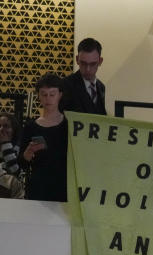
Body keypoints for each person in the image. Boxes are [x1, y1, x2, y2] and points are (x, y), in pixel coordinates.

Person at [21, 73, 69, 202]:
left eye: (52, 94)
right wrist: (28, 152)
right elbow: (22, 163)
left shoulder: (69, 125)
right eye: (44, 94)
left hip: (63, 187)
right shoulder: (31, 126)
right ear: (39, 96)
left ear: (60, 95)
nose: (48, 98)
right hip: (38, 187)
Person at [61, 37, 107, 115]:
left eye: (93, 64)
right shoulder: (65, 85)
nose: (88, 69)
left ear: (100, 61)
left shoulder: (101, 87)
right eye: (83, 63)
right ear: (77, 59)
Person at [1, 111, 22, 179]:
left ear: (13, 129)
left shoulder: (19, 148)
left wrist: (6, 143)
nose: (1, 129)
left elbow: (14, 170)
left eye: (6, 126)